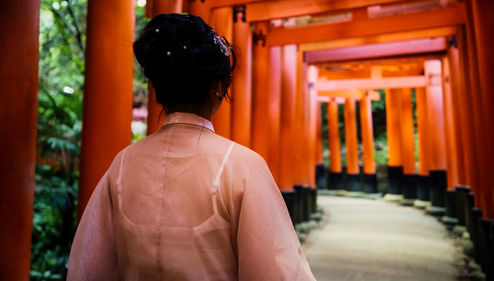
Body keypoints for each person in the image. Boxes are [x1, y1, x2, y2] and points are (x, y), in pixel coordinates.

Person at [67, 13, 316, 281]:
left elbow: (88, 268)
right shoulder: (243, 166)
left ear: (158, 89)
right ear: (219, 87)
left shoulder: (123, 164)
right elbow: (278, 272)